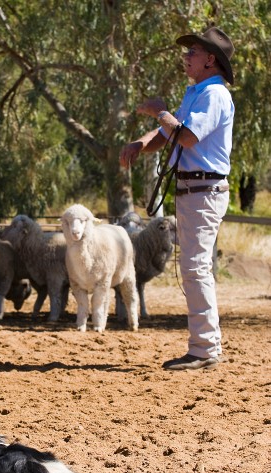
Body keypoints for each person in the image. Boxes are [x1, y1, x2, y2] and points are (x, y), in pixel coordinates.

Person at [119, 27, 235, 370]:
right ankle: (203, 345)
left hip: (203, 190)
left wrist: (160, 111)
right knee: (193, 267)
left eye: (193, 52)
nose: (186, 57)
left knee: (195, 267)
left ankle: (204, 348)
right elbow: (170, 132)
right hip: (194, 190)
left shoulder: (214, 95)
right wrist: (142, 142)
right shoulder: (197, 92)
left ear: (210, 59)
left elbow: (186, 136)